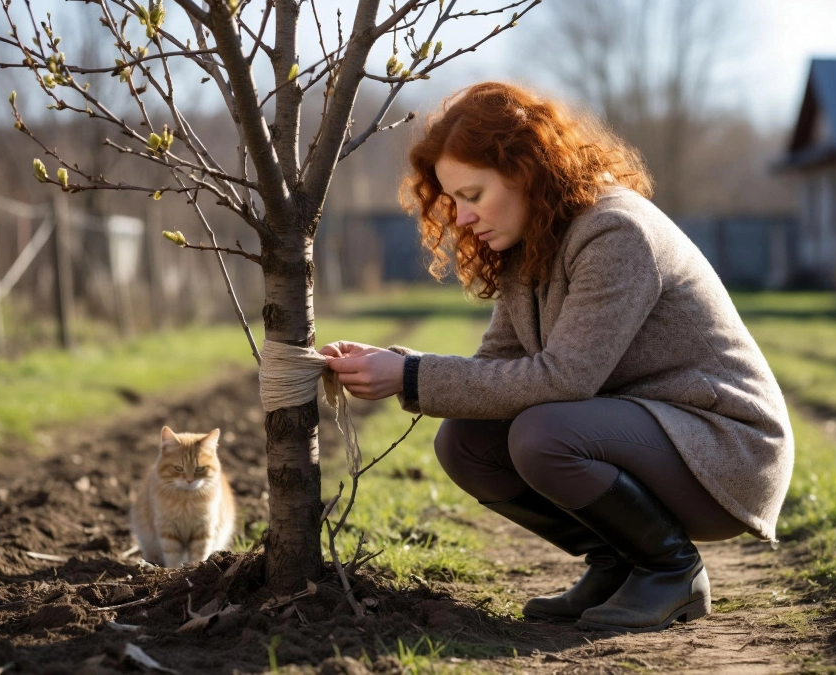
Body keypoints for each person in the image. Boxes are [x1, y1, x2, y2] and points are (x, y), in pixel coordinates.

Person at [320, 82, 794, 634]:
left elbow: (566, 379)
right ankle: (617, 563)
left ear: (525, 170)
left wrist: (407, 375)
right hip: (653, 434)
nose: (462, 219)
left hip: (725, 448)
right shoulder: (533, 240)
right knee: (466, 442)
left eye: (473, 195)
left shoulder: (615, 231)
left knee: (544, 433)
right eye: (453, 202)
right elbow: (494, 371)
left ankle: (670, 569)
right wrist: (399, 364)